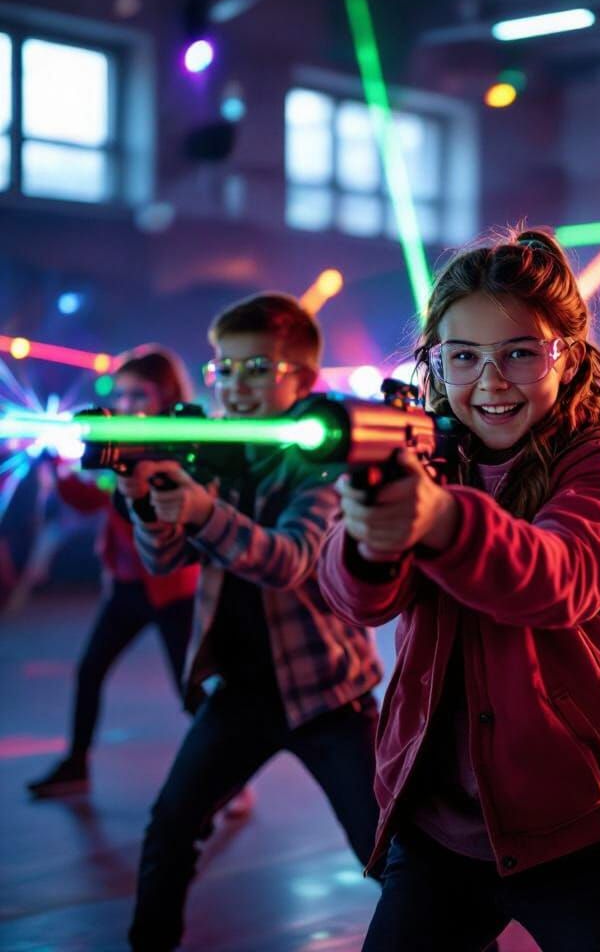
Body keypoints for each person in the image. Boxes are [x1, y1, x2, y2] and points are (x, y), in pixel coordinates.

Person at [319, 229, 600, 952]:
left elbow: (562, 579)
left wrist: (443, 519)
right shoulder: (421, 448)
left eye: (519, 353)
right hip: (438, 829)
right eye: (463, 356)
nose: (491, 381)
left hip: (578, 825)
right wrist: (369, 541)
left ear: (565, 356)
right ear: (434, 361)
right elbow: (359, 600)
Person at [121, 293, 383, 951]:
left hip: (328, 693)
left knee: (388, 850)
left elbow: (290, 560)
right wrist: (148, 503)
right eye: (225, 369)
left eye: (258, 368)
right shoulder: (215, 450)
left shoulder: (322, 457)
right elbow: (164, 559)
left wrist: (200, 509)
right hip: (240, 690)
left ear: (304, 378)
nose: (236, 386)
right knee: (170, 827)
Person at [27, 346, 198, 799]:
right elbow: (92, 502)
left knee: (190, 690)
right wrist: (58, 471)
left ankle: (226, 780)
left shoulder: (178, 450)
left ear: (165, 397)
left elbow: (145, 519)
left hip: (173, 590)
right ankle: (76, 765)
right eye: (121, 395)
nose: (126, 405)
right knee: (90, 671)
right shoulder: (118, 448)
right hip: (127, 587)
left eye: (138, 395)